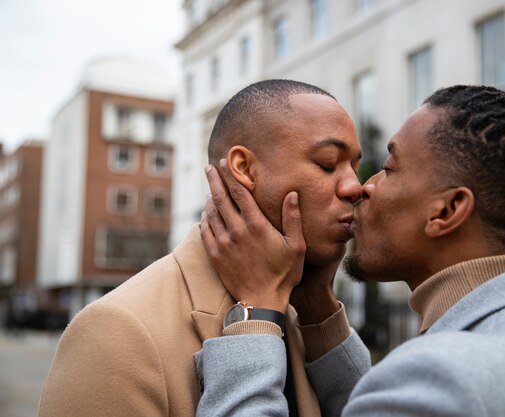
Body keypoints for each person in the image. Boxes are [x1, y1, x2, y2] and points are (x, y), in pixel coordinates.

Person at [195, 85, 505, 416]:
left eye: (389, 168)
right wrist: (315, 307)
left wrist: (256, 311)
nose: (362, 186)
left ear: (448, 210)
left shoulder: (444, 378)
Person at [38, 79, 363, 417]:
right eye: (328, 163)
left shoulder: (299, 312)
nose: (355, 186)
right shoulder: (116, 333)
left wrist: (316, 308)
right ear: (244, 169)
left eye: (354, 166)